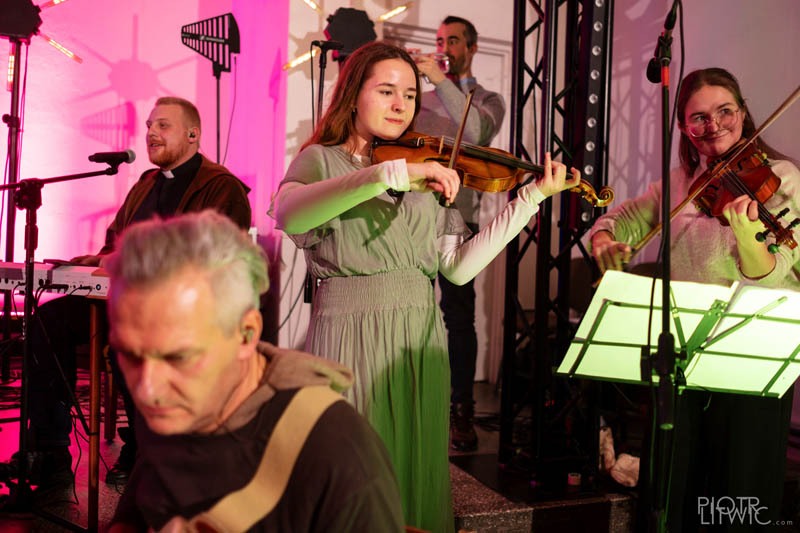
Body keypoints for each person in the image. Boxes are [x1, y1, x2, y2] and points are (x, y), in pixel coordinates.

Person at [270, 41, 580, 532]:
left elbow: (456, 268)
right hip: (351, 335)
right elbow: (290, 213)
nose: (401, 105)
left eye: (411, 95)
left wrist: (530, 199)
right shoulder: (322, 161)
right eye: (386, 91)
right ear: (353, 94)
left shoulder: (426, 169)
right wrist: (390, 174)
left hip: (420, 335)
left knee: (415, 475)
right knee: (356, 480)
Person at [1, 96, 251, 492]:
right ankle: (49, 450)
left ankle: (145, 449)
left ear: (193, 135)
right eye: (150, 125)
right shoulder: (146, 183)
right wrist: (88, 262)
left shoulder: (221, 187)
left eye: (163, 125)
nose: (151, 132)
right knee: (47, 322)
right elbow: (114, 242)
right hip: (121, 299)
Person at [588, 68, 800, 531]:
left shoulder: (781, 178)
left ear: (743, 112)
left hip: (753, 354)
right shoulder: (682, 183)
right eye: (699, 117)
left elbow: (772, 272)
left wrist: (749, 237)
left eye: (725, 111)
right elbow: (622, 218)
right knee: (678, 487)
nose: (714, 125)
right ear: (685, 127)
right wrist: (604, 237)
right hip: (686, 353)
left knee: (738, 494)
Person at [104, 210, 404, 532]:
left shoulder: (336, 452)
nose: (146, 389)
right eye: (129, 354)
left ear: (247, 334)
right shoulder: (171, 407)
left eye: (179, 357)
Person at [413, 15, 506, 452]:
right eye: (439, 40)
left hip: (459, 221)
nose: (444, 47)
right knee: (410, 312)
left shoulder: (488, 100)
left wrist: (439, 80)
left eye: (453, 40)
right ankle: (415, 403)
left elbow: (476, 132)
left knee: (458, 318)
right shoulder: (421, 99)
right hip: (412, 218)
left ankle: (461, 409)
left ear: (471, 48)